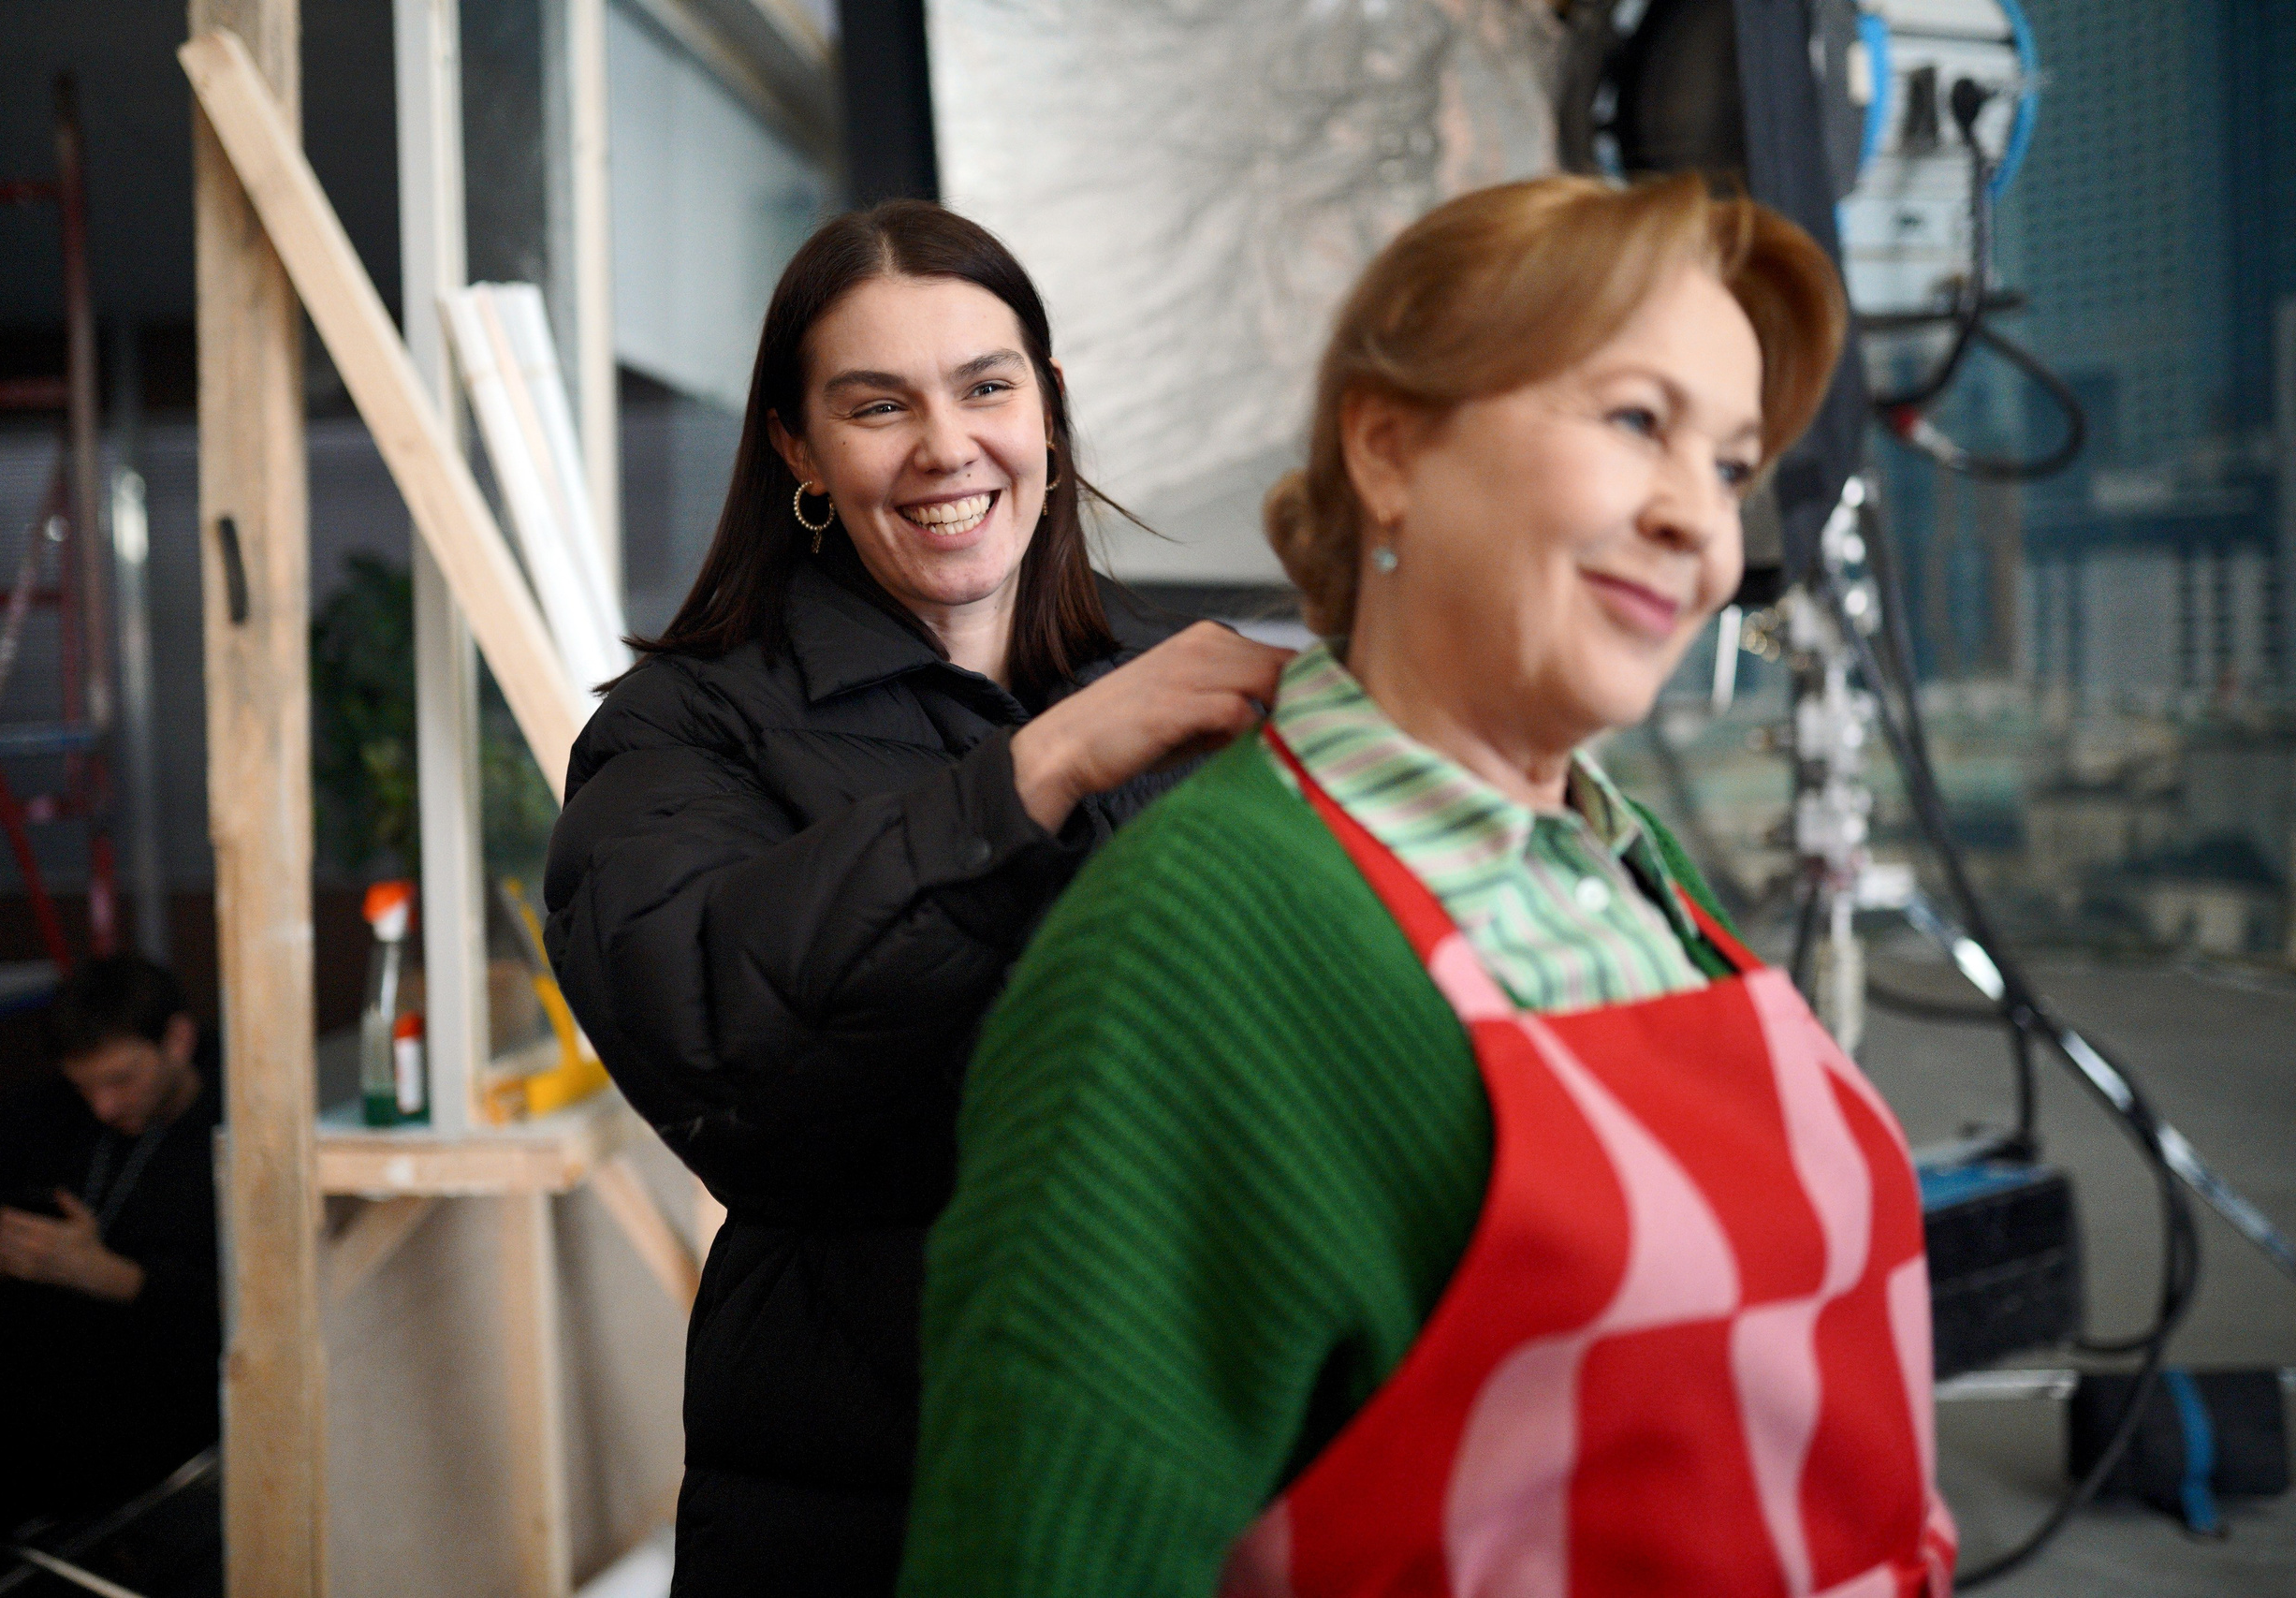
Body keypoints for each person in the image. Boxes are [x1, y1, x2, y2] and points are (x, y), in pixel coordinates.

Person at [902, 172, 1956, 1597]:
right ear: (1390, 449)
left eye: (1728, 467)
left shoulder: (1620, 859)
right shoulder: (1193, 949)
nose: (1700, 529)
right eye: (1636, 421)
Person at [543, 199, 1291, 1596]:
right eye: (878, 404)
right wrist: (1041, 769)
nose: (946, 446)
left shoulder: (1181, 684)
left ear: (1047, 405)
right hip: (870, 1498)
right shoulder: (683, 731)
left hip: (1189, 1471)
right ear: (797, 446)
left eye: (985, 387)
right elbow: (707, 1034)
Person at [0, 953, 221, 1591]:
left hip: (145, 1399)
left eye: (121, 1080)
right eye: (84, 1087)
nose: (103, 1106)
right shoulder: (47, 1115)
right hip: (15, 1366)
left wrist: (109, 1274)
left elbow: (240, 1314)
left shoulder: (236, 1131)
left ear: (179, 1040)